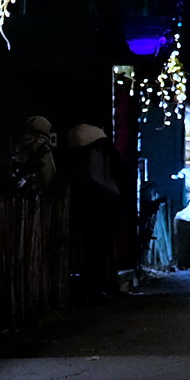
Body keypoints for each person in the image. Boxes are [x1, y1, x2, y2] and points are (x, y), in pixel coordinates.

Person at [64, 122, 126, 302]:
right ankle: (97, 286)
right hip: (104, 207)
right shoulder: (102, 154)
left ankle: (94, 286)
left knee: (93, 251)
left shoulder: (85, 157)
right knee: (99, 250)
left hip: (92, 209)